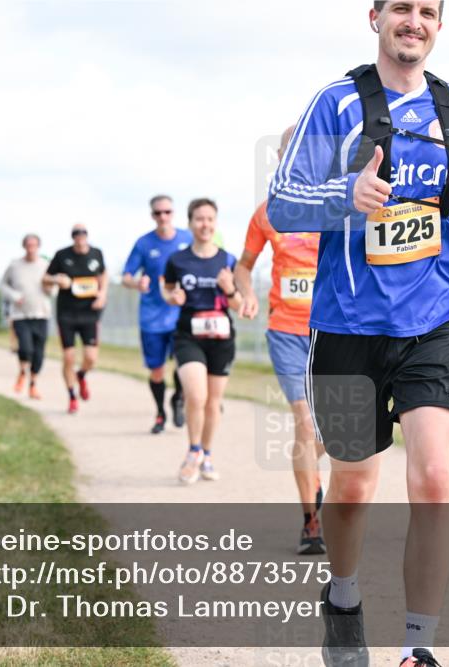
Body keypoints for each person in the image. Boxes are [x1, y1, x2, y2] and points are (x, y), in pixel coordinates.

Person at [266, 2, 449, 664]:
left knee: (436, 476)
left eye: (427, 11)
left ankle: (419, 647)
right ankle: (345, 597)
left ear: (439, 24)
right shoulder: (333, 103)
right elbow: (279, 201)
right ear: (375, 17)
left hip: (434, 317)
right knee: (354, 486)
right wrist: (341, 197)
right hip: (348, 325)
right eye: (401, 9)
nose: (414, 21)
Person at [236, 125, 326, 555]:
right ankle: (311, 522)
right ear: (280, 155)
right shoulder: (266, 212)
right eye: (294, 150)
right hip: (287, 332)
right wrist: (246, 291)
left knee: (332, 434)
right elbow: (244, 265)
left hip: (333, 331)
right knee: (305, 423)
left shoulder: (337, 206)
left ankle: (315, 483)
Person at [162, 198, 242, 484]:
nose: (204, 224)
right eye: (199, 219)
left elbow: (238, 304)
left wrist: (229, 288)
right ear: (190, 223)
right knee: (196, 396)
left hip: (221, 337)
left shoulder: (228, 260)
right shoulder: (178, 260)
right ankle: (193, 451)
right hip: (188, 335)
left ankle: (207, 454)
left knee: (213, 402)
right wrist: (173, 298)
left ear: (215, 223)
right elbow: (167, 290)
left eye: (209, 219)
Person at [122, 195, 193, 433]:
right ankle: (161, 412)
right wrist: (136, 284)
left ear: (174, 213)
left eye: (167, 212)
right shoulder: (143, 244)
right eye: (158, 213)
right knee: (157, 370)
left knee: (185, 365)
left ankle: (179, 398)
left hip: (181, 316)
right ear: (152, 215)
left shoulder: (187, 238)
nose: (163, 216)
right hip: (152, 318)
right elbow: (126, 276)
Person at [43, 223, 108, 414]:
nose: (79, 236)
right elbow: (45, 278)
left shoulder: (96, 253)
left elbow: (103, 274)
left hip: (89, 312)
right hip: (67, 313)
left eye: (82, 233)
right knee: (69, 357)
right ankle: (72, 396)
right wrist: (57, 280)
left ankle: (82, 375)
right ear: (72, 237)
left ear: (87, 235)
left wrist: (102, 294)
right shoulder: (62, 255)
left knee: (91, 358)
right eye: (75, 233)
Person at [1, 234, 52, 400]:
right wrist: (14, 296)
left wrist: (50, 289)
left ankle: (33, 384)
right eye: (28, 245)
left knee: (39, 352)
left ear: (38, 247)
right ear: (24, 246)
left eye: (34, 245)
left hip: (41, 314)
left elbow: (53, 287)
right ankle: (23, 372)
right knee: (25, 348)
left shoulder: (46, 265)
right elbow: (3, 284)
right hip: (20, 315)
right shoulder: (15, 265)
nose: (31, 248)